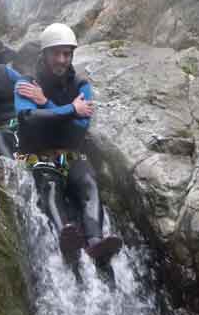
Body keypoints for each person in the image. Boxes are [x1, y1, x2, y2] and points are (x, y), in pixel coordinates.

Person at [14, 23, 122, 264]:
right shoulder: (26, 82)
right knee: (51, 187)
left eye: (67, 54)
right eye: (56, 53)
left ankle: (96, 242)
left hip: (69, 152)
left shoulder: (81, 84)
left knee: (89, 184)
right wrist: (71, 109)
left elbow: (78, 130)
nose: (62, 60)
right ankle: (66, 239)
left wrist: (46, 104)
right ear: (44, 54)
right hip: (38, 152)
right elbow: (28, 118)